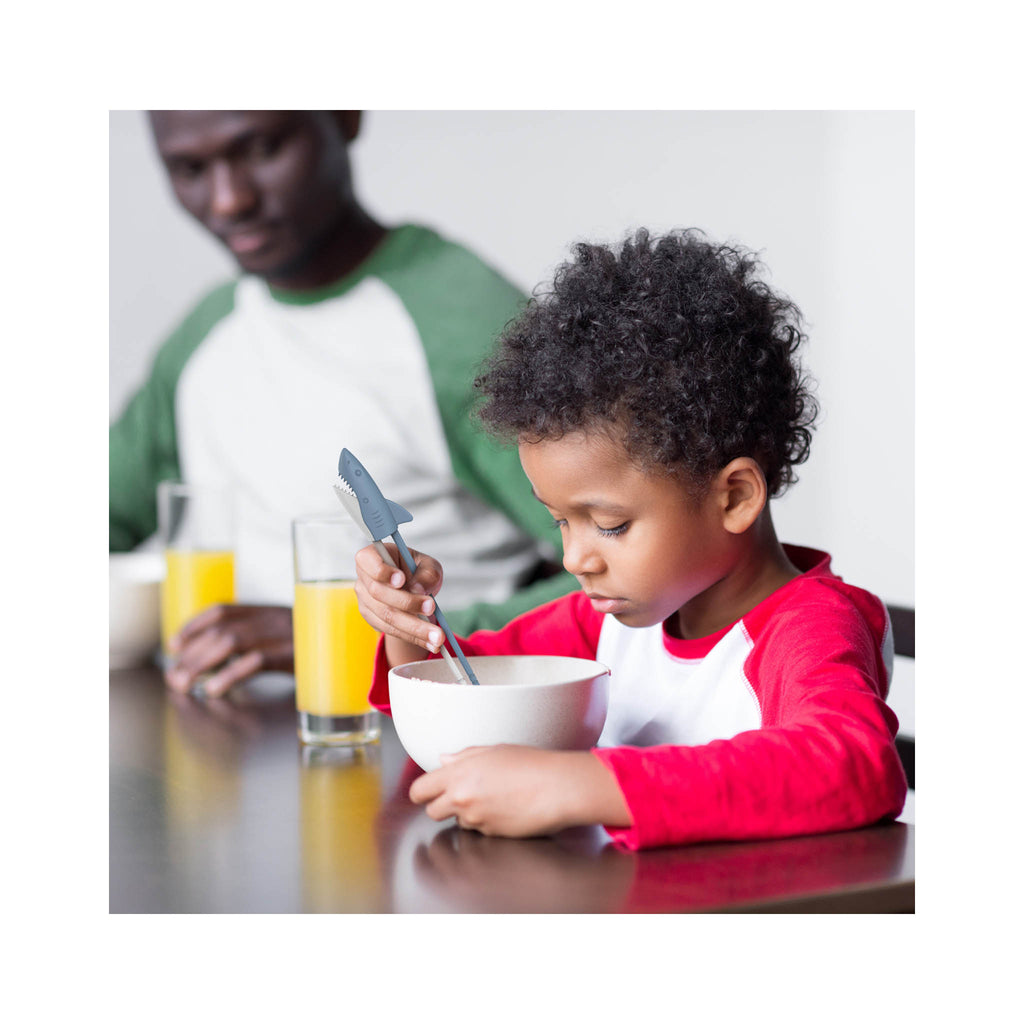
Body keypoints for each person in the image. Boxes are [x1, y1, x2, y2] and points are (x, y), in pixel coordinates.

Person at [354, 227, 908, 850]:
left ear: (733, 498)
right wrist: (407, 623)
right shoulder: (604, 623)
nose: (575, 559)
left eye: (611, 525)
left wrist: (579, 785)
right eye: (561, 521)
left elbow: (853, 765)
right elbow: (463, 689)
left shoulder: (809, 627)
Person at [109, 110, 574, 697]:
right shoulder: (206, 331)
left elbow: (625, 575)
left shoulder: (463, 325)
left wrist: (345, 639)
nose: (228, 200)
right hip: (219, 726)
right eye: (190, 169)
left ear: (345, 116)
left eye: (262, 149)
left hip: (412, 730)